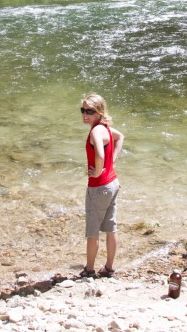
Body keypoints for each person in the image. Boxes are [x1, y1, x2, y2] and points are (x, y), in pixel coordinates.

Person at [79, 93, 123, 278]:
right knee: (111, 227)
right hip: (112, 183)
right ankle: (109, 268)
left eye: (89, 111)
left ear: (99, 112)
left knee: (93, 231)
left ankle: (89, 270)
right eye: (83, 110)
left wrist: (98, 171)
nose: (85, 114)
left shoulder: (96, 131)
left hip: (99, 187)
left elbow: (100, 155)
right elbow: (120, 137)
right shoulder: (105, 127)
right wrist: (111, 162)